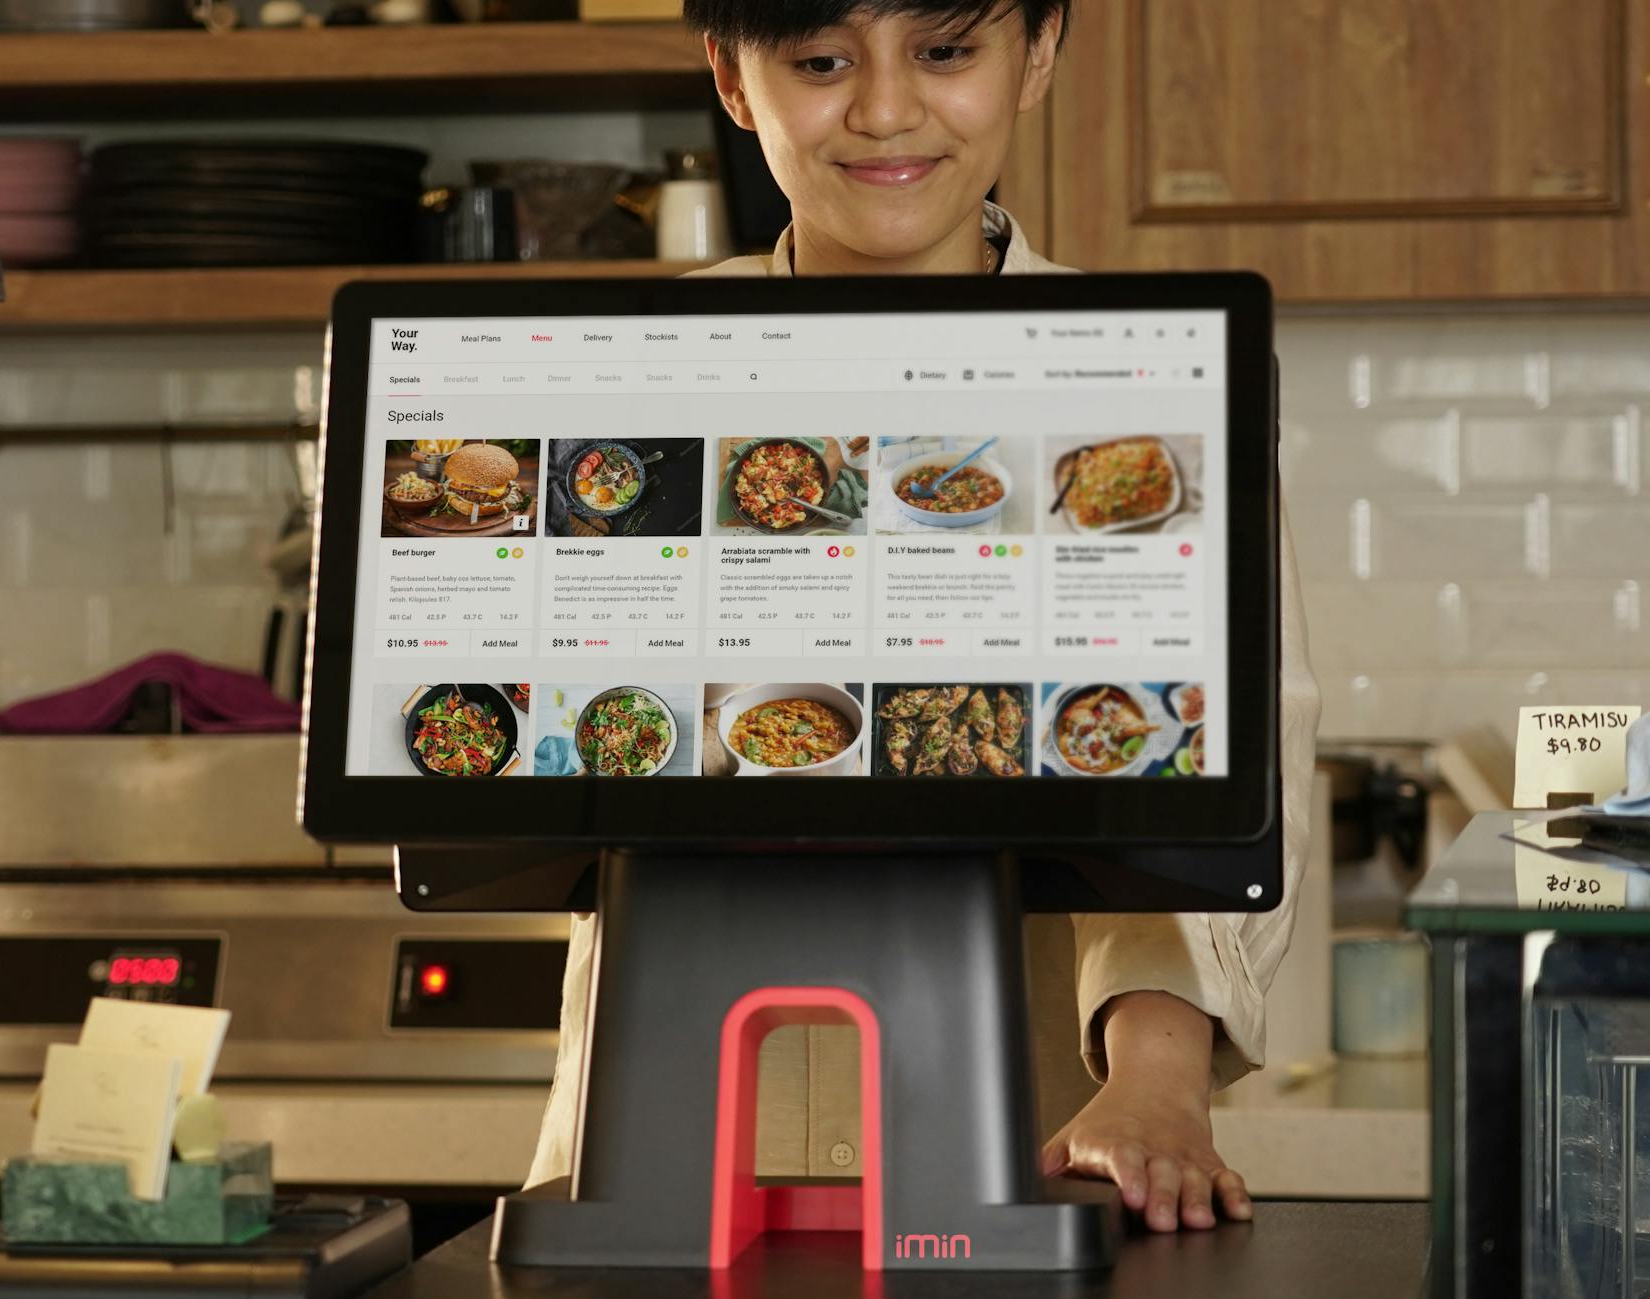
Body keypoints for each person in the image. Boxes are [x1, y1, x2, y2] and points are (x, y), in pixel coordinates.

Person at [526, 0, 1321, 1234]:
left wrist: (1154, 1087)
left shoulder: (1145, 382)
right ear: (733, 82)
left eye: (944, 52)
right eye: (819, 62)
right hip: (661, 1135)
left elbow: (1221, 764)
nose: (885, 110)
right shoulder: (620, 373)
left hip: (1036, 1135)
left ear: (1037, 53)